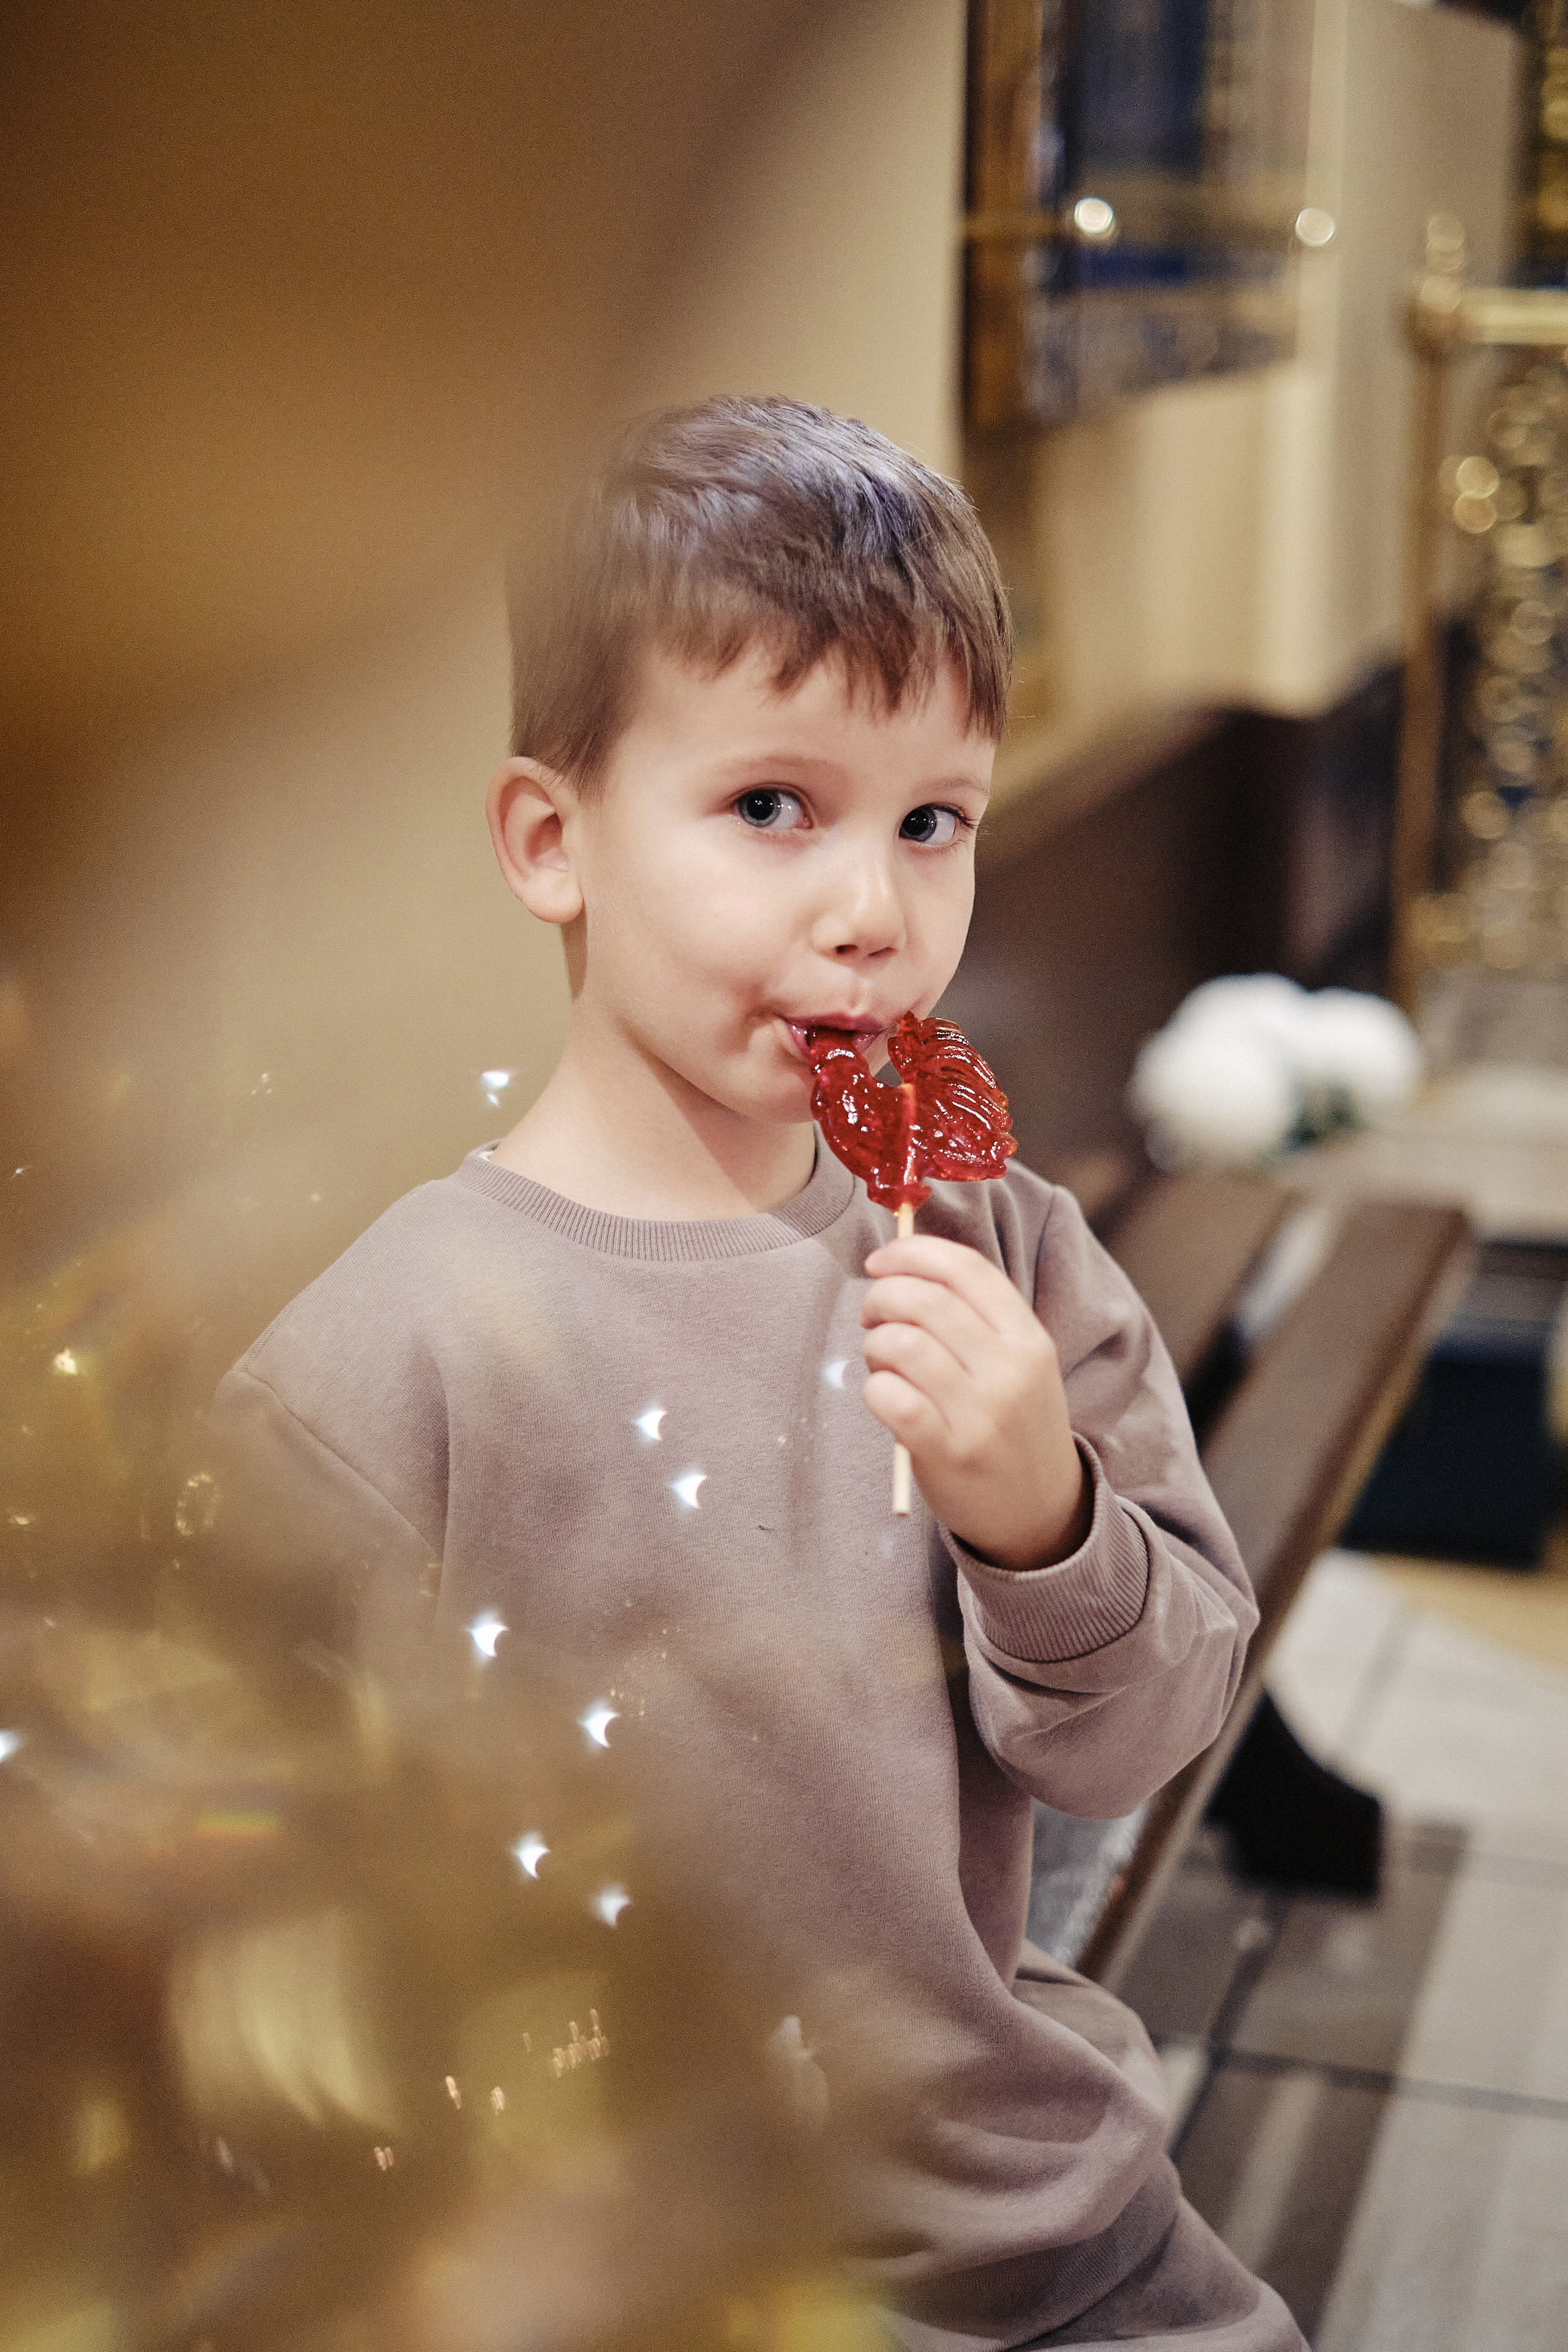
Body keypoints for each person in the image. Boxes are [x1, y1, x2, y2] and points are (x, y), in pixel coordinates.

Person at [213, 396, 1303, 2351]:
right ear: (552, 840)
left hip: (1041, 2223)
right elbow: (240, 1915)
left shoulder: (999, 1248)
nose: (873, 915)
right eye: (774, 808)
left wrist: (1042, 1517)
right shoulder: (402, 1353)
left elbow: (1142, 1745)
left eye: (932, 821)